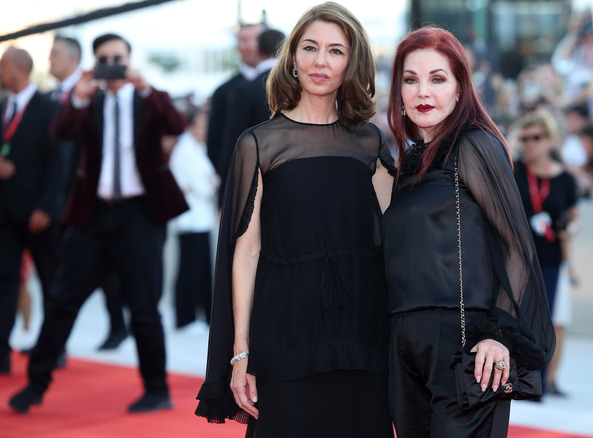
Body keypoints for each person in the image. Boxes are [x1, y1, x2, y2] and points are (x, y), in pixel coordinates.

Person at [195, 3, 395, 437]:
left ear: (352, 62)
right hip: (283, 330)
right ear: (291, 58)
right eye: (310, 47)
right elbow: (245, 252)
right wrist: (240, 354)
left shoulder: (370, 142)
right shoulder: (260, 144)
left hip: (362, 331)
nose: (321, 61)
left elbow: (396, 238)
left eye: (335, 51)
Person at [382, 26, 555, 437]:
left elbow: (516, 247)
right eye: (411, 80)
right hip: (404, 344)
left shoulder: (476, 145)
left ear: (460, 89)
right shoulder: (409, 160)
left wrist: (498, 335)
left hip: (465, 343)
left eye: (437, 79)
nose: (423, 91)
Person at [8, 33, 188, 414]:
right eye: (104, 58)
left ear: (129, 59)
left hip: (140, 214)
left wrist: (146, 87)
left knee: (144, 307)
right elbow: (59, 132)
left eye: (118, 57)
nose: (112, 64)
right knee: (61, 301)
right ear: (94, 63)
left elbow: (177, 125)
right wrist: (79, 95)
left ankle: (157, 389)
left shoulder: (149, 99)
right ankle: (36, 384)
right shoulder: (87, 101)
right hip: (92, 215)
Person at [48, 34, 128, 352]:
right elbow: (57, 138)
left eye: (54, 54)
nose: (49, 60)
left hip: (88, 200)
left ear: (73, 59)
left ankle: (118, 325)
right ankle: (55, 346)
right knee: (67, 277)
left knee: (95, 270)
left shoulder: (97, 96)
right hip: (66, 198)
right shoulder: (65, 96)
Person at [0, 47, 61, 375]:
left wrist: (46, 208)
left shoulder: (49, 108)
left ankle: (53, 348)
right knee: (4, 280)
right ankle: (1, 352)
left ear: (18, 68)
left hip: (39, 214)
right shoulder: (1, 108)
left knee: (52, 283)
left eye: (2, 66)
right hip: (6, 214)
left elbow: (58, 164)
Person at [512, 111, 578, 397]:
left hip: (551, 258)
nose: (530, 144)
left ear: (551, 140)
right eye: (525, 138)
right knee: (519, 319)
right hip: (519, 257)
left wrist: (572, 227)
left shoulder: (565, 179)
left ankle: (542, 381)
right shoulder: (514, 170)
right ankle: (519, 379)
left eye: (536, 138)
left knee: (549, 321)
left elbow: (575, 215)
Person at [169, 106, 219, 330]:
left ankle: (201, 315)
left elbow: (212, 181)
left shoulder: (198, 148)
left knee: (202, 269)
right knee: (189, 269)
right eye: (201, 125)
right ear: (191, 126)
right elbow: (205, 187)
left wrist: (210, 183)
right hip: (189, 220)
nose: (205, 129)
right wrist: (210, 184)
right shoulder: (185, 150)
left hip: (201, 218)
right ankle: (185, 317)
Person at [207, 23, 263, 201]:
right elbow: (215, 142)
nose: (250, 45)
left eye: (256, 39)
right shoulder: (224, 91)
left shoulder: (286, 87)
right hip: (239, 184)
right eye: (243, 40)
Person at [221, 28, 286, 175]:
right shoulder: (301, 86)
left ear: (259, 49)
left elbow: (233, 146)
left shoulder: (244, 90)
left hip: (254, 176)